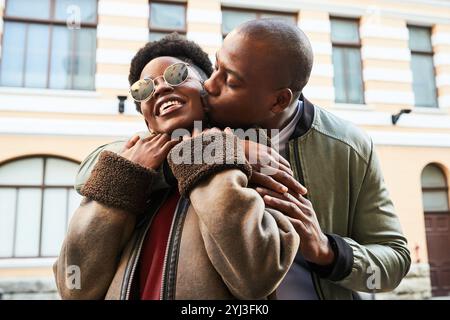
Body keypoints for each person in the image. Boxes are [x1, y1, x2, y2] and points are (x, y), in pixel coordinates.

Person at [74, 19, 412, 300]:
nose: (209, 83)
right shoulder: (200, 125)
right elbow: (97, 167)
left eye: (229, 79)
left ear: (279, 100)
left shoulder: (346, 147)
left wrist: (327, 251)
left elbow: (394, 259)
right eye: (216, 65)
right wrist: (214, 149)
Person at [53, 34, 300, 300]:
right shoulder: (125, 173)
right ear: (148, 120)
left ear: (206, 93)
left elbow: (256, 277)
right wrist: (125, 180)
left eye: (176, 74)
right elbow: (74, 287)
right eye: (143, 89)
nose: (159, 89)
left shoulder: (255, 158)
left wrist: (209, 155)